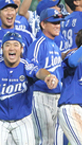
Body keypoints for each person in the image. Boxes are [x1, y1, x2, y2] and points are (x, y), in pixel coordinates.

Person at [0, 32, 59, 145]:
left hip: (22, 120)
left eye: (15, 45)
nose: (12, 48)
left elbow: (39, 71)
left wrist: (48, 76)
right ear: (2, 48)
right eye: (8, 45)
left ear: (21, 48)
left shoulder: (26, 65)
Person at [24, 8, 64, 145]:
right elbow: (30, 66)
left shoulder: (55, 44)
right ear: (43, 24)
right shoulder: (39, 43)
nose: (57, 25)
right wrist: (46, 76)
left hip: (57, 96)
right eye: (53, 22)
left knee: (54, 140)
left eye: (58, 22)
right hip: (41, 95)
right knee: (44, 140)